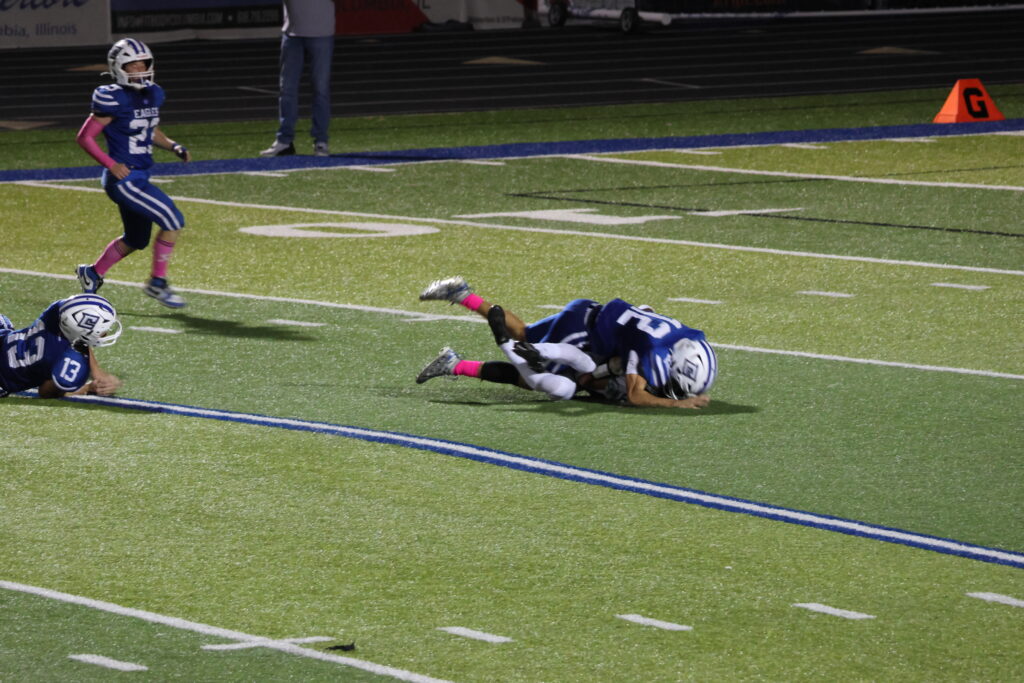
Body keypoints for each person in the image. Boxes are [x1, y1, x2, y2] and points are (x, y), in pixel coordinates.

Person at [416, 277, 716, 408]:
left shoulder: (682, 335)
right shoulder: (652, 349)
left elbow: (647, 310)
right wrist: (678, 404)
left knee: (525, 332)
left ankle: (463, 295)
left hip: (586, 313)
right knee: (535, 379)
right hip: (581, 332)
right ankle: (455, 364)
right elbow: (636, 396)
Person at [75, 37, 191, 309]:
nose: (140, 70)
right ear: (119, 67)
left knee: (136, 239)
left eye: (143, 64)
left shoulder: (153, 93)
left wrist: (173, 145)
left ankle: (92, 273)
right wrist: (110, 164)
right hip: (125, 180)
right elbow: (85, 137)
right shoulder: (112, 97)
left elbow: (149, 129)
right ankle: (157, 283)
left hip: (140, 176)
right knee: (173, 220)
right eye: (133, 65)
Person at [0, 294, 123, 399]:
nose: (105, 333)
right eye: (103, 330)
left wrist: (97, 373)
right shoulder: (62, 358)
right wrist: (88, 388)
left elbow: (79, 340)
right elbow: (47, 392)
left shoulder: (55, 313)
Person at [260, 0, 336, 158]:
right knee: (287, 89)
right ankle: (284, 141)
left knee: (320, 89)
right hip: (292, 33)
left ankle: (321, 141)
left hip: (321, 32)